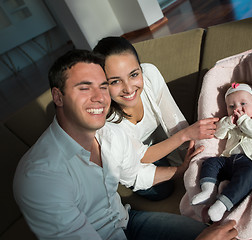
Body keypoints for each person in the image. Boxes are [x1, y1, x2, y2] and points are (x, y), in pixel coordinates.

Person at [13, 49, 237, 240]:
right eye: (84, 88)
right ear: (58, 97)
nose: (99, 97)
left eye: (102, 86)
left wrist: (181, 170)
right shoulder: (40, 177)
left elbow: (137, 174)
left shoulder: (109, 133)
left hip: (128, 222)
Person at [93, 36, 218, 200]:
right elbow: (141, 156)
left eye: (134, 74)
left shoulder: (150, 74)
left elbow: (174, 121)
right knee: (161, 191)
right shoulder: (104, 120)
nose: (129, 88)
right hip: (130, 160)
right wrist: (185, 138)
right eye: (115, 81)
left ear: (140, 68)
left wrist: (194, 157)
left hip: (158, 143)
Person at [191, 82, 252, 222]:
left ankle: (222, 204)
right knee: (211, 163)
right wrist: (228, 122)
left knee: (249, 176)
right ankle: (208, 190)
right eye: (231, 106)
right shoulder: (230, 121)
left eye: (243, 104)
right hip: (229, 159)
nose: (237, 109)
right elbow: (218, 133)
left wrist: (243, 121)